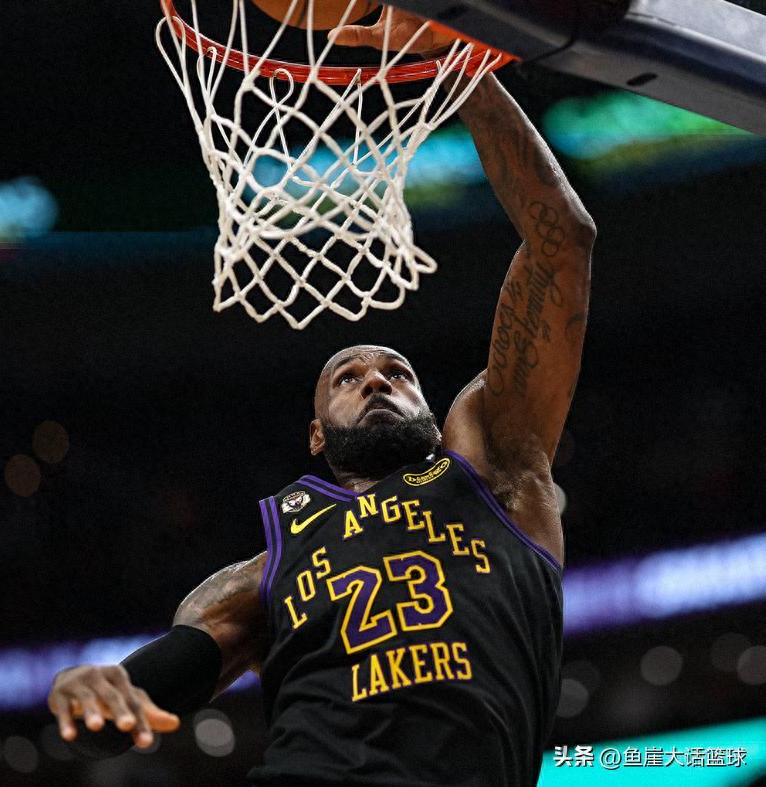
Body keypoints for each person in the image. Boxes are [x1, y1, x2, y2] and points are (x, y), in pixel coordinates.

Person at [48, 7, 595, 786]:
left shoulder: (496, 470)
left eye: (398, 373)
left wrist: (459, 66)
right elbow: (143, 696)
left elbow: (561, 241)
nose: (376, 378)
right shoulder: (261, 572)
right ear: (315, 435)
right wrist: (98, 686)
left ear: (432, 414)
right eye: (348, 377)